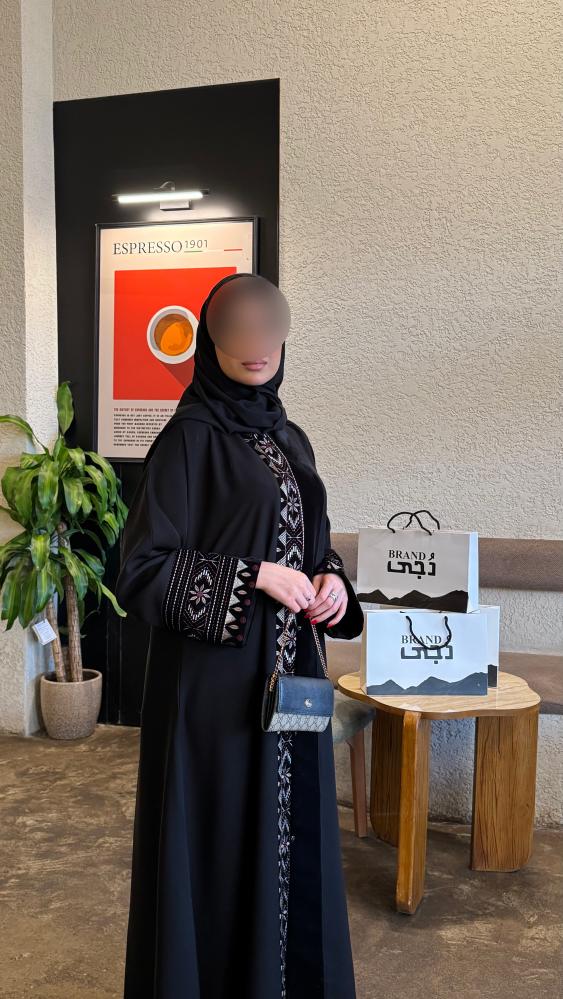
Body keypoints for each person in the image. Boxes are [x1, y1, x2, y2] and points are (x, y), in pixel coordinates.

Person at [115, 272, 364, 999]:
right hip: (216, 699)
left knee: (293, 841)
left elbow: (312, 542)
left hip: (291, 688)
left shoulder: (290, 436)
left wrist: (330, 581)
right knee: (223, 848)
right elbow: (141, 572)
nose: (256, 345)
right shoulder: (187, 439)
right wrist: (253, 576)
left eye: (268, 329)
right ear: (211, 340)